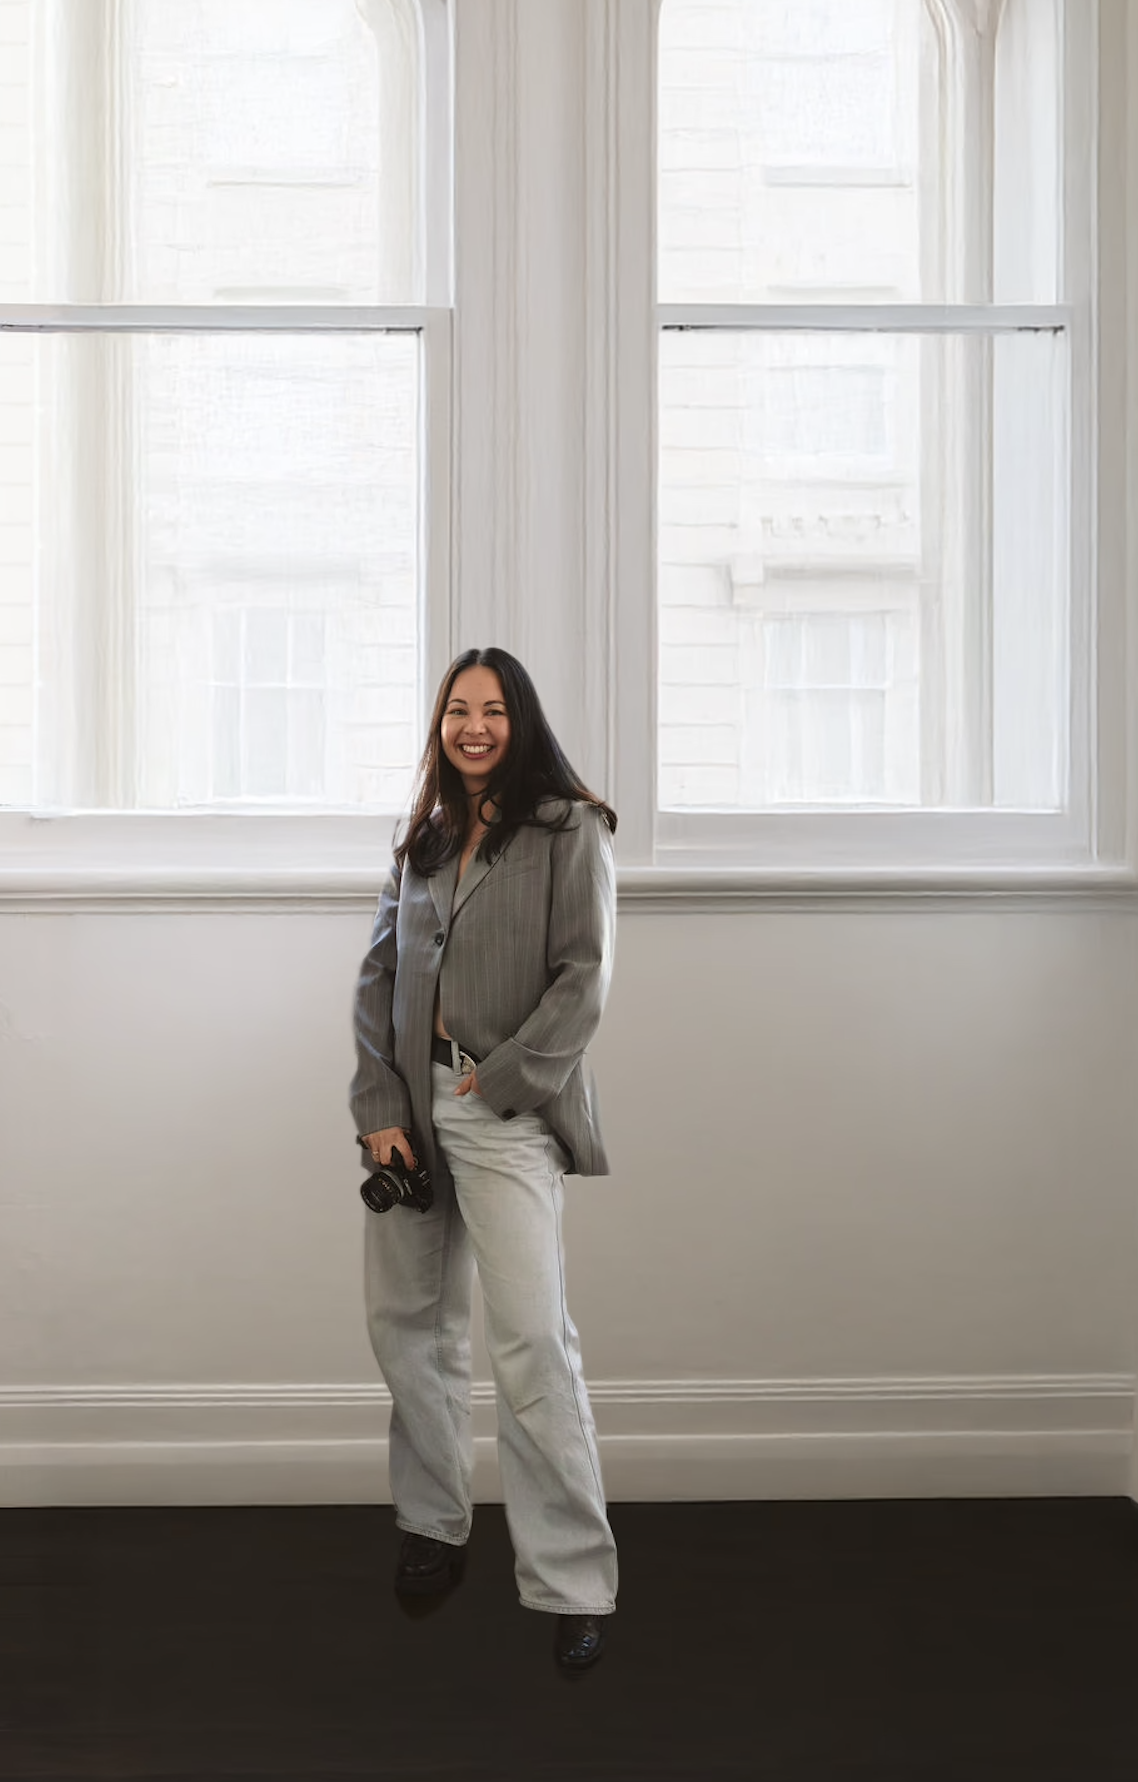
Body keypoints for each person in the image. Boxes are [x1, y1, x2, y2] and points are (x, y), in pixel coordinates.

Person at [350, 646, 619, 1674]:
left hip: (502, 1111)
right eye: (457, 710)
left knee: (530, 1349)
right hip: (409, 1112)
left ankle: (573, 1582)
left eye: (492, 710)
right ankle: (432, 1526)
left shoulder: (570, 832)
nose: (472, 727)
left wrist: (500, 1083)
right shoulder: (423, 840)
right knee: (409, 1329)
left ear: (522, 720)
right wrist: (380, 1106)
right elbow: (376, 976)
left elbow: (583, 980)